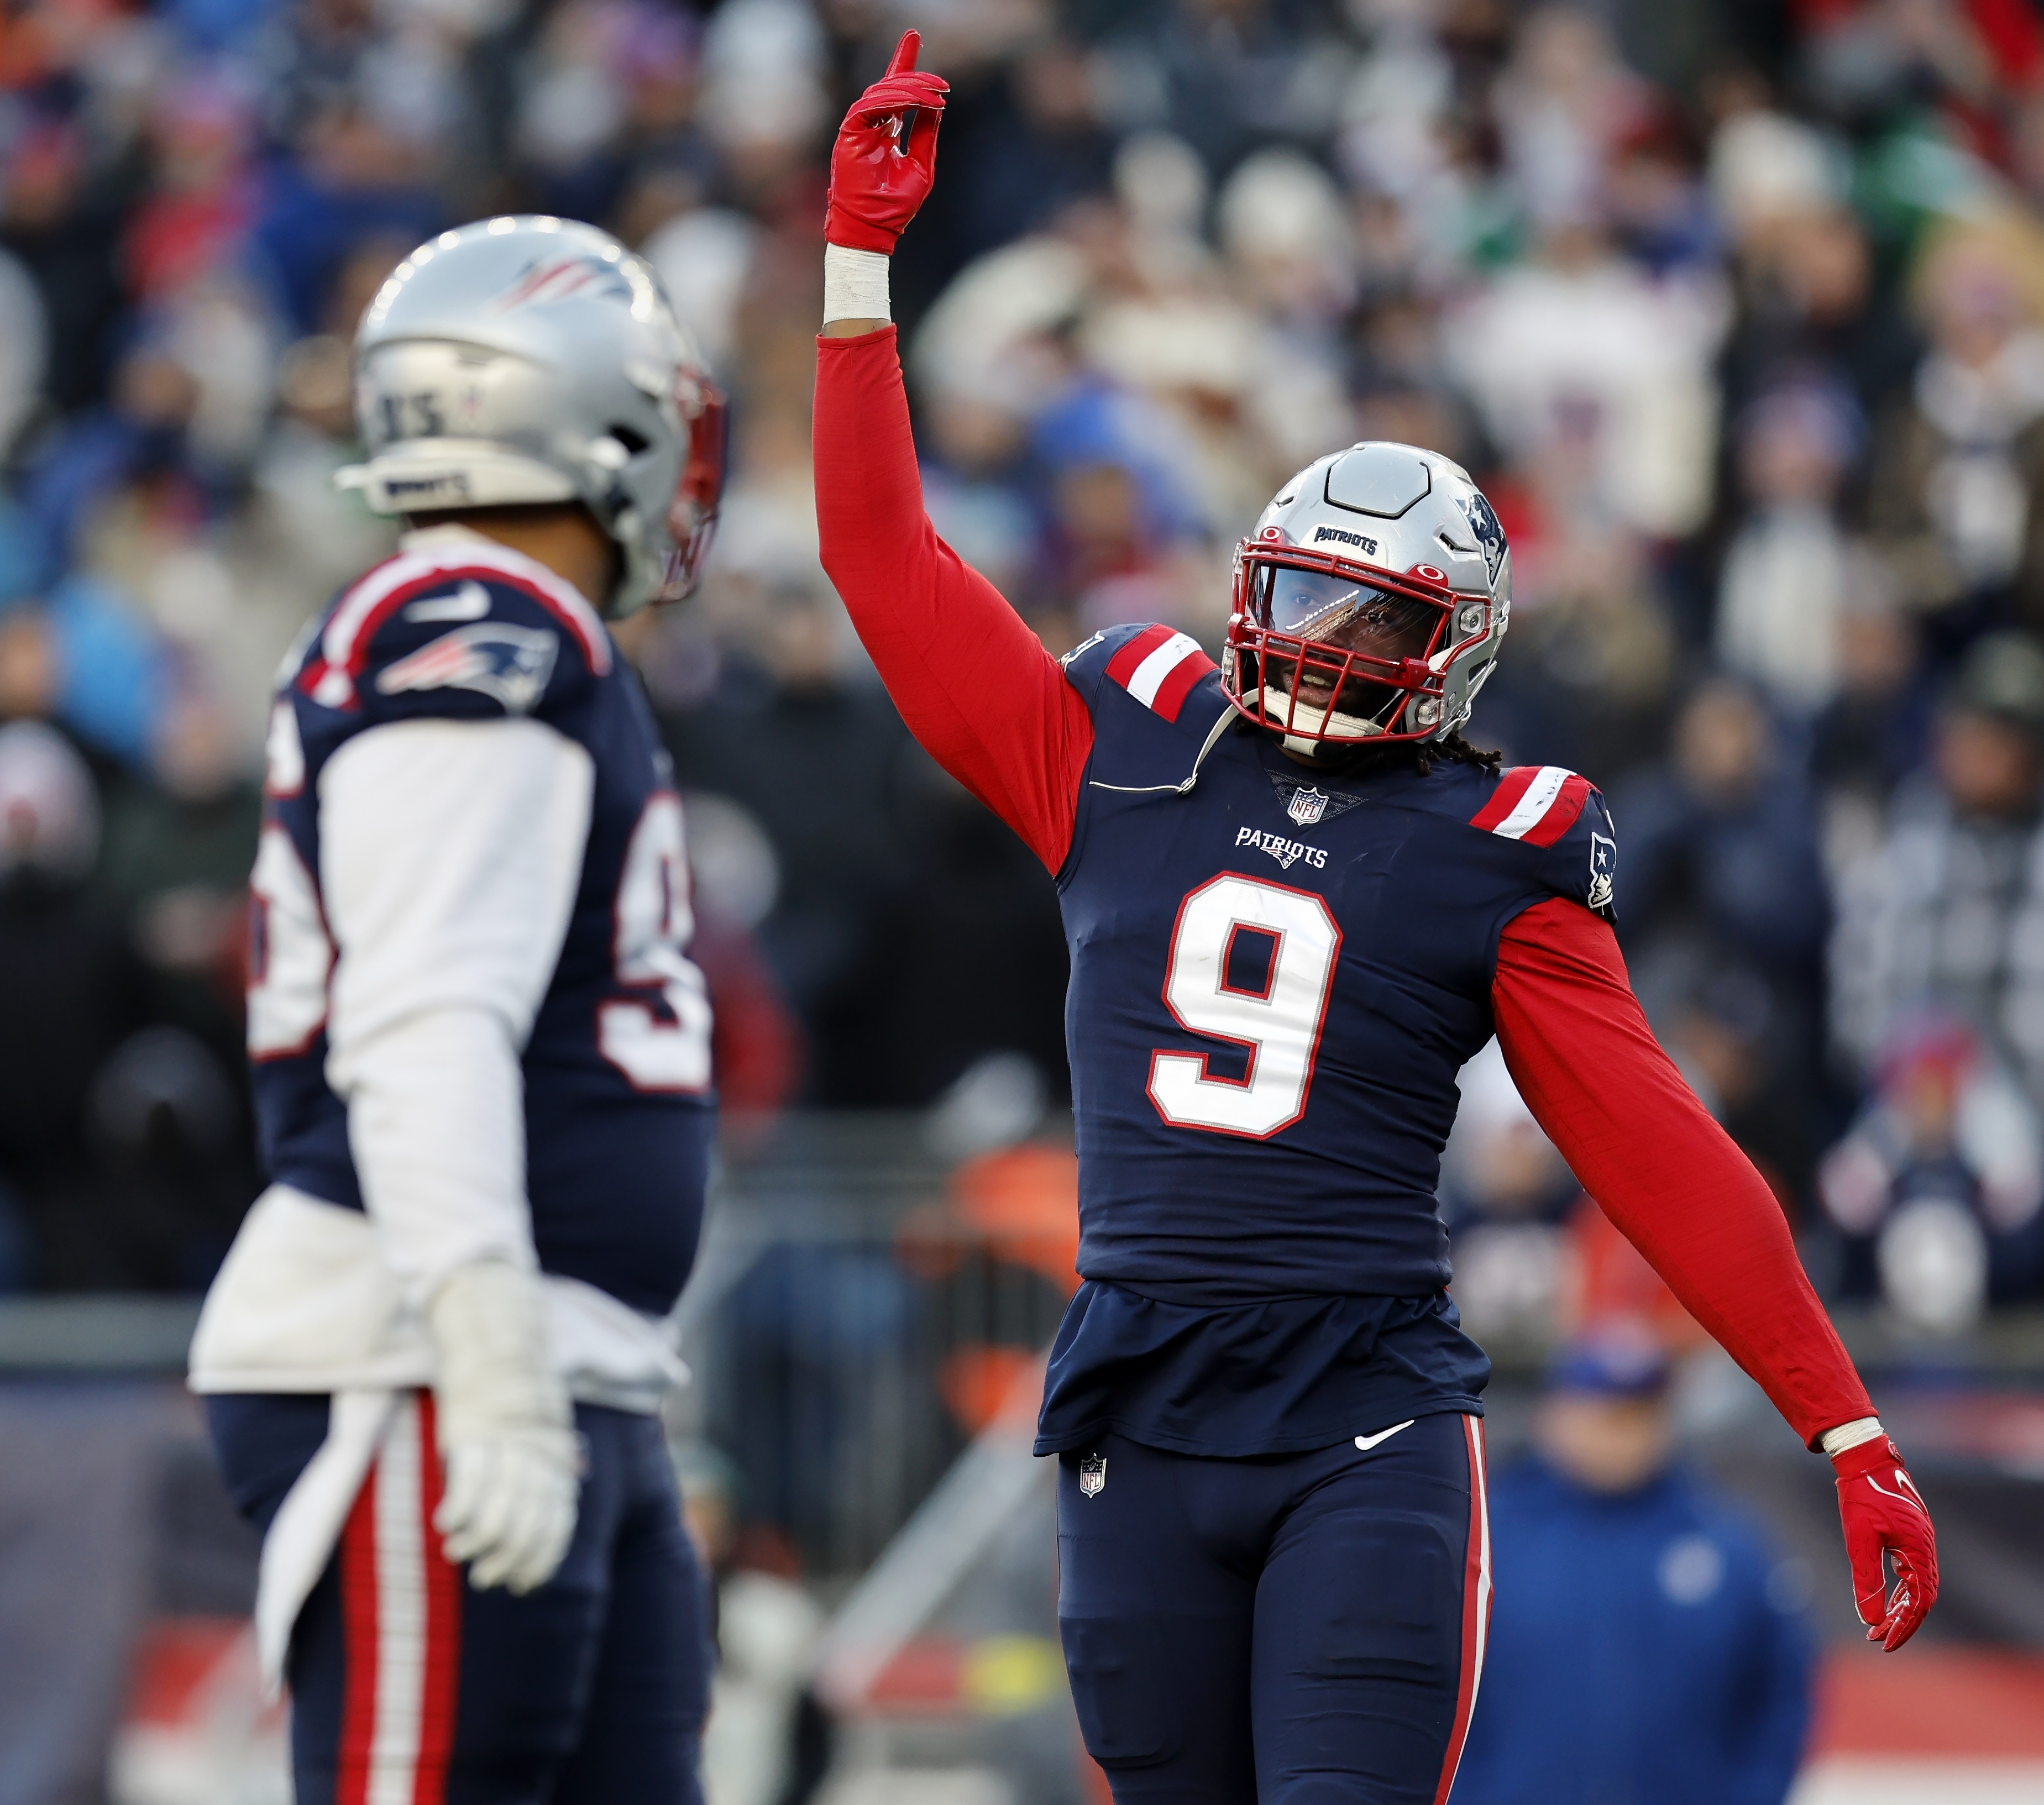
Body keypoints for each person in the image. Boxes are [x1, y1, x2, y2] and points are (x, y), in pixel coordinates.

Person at [814, 36, 1940, 1805]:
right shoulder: (1122, 738)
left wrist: (1841, 1414)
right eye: (1308, 596)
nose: (1330, 642)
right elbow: (888, 570)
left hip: (1364, 1418)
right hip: (1137, 1406)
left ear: (1462, 648)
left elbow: (1649, 1142)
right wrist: (857, 280)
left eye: (1378, 617)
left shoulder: (1495, 840)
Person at [187, 219, 726, 1803]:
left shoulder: (514, 630)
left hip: (562, 1350)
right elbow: (424, 1017)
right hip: (423, 1348)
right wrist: (485, 1350)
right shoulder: (471, 625)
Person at [1453, 1332, 1815, 1805]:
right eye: (1603, 1415)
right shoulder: (1487, 1538)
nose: (1620, 1437)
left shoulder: (1726, 1545)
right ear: (1553, 1415)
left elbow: (1779, 1696)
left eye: (1638, 1416)